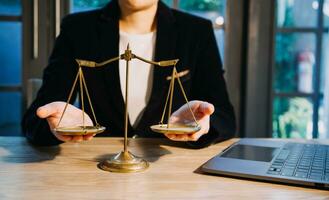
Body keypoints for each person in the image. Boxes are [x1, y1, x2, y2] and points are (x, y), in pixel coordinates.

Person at [22, 0, 236, 148]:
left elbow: (224, 118)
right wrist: (55, 125)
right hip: (95, 167)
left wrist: (203, 124)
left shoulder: (196, 31)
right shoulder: (78, 29)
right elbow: (34, 120)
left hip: (170, 167)